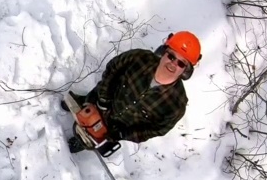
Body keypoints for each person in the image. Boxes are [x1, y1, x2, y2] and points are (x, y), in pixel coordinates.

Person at [67, 31, 201, 154]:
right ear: (163, 52)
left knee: (94, 135)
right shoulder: (139, 58)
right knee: (88, 106)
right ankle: (84, 101)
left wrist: (122, 134)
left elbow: (155, 130)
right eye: (171, 56)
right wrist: (102, 99)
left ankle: (82, 142)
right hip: (104, 98)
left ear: (186, 72)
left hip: (116, 127)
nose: (173, 64)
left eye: (181, 63)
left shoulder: (176, 105)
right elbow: (113, 69)